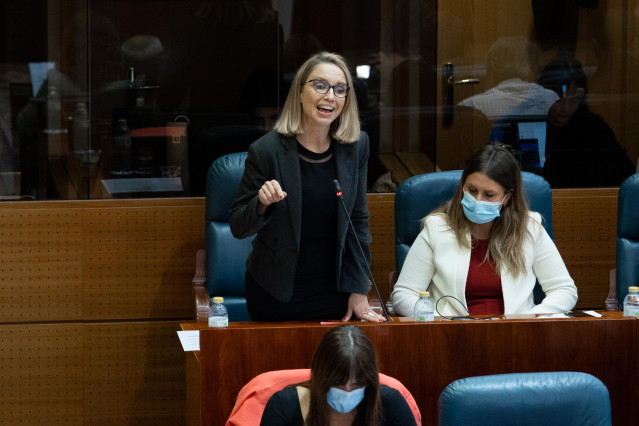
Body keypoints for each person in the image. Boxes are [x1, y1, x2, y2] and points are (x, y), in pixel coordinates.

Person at [230, 52, 385, 322]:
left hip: (334, 292)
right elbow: (238, 226)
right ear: (300, 93)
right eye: (320, 85)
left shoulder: (356, 146)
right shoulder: (266, 150)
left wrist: (359, 288)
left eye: (339, 89)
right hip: (276, 293)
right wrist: (262, 204)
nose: (330, 97)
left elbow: (357, 222)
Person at [391, 144, 578, 317]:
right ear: (462, 185)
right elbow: (404, 295)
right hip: (452, 334)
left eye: (489, 195)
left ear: (506, 197)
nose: (478, 200)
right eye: (472, 190)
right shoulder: (437, 228)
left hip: (514, 335)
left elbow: (564, 290)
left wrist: (531, 319)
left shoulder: (529, 229)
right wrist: (439, 321)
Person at [260, 325, 417, 425]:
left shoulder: (391, 402)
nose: (347, 392)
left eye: (357, 385)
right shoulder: (284, 405)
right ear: (321, 376)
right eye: (337, 383)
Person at [537, 58, 636, 187]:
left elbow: (626, 174)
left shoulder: (595, 127)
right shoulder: (530, 123)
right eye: (559, 100)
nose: (566, 108)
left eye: (573, 101)